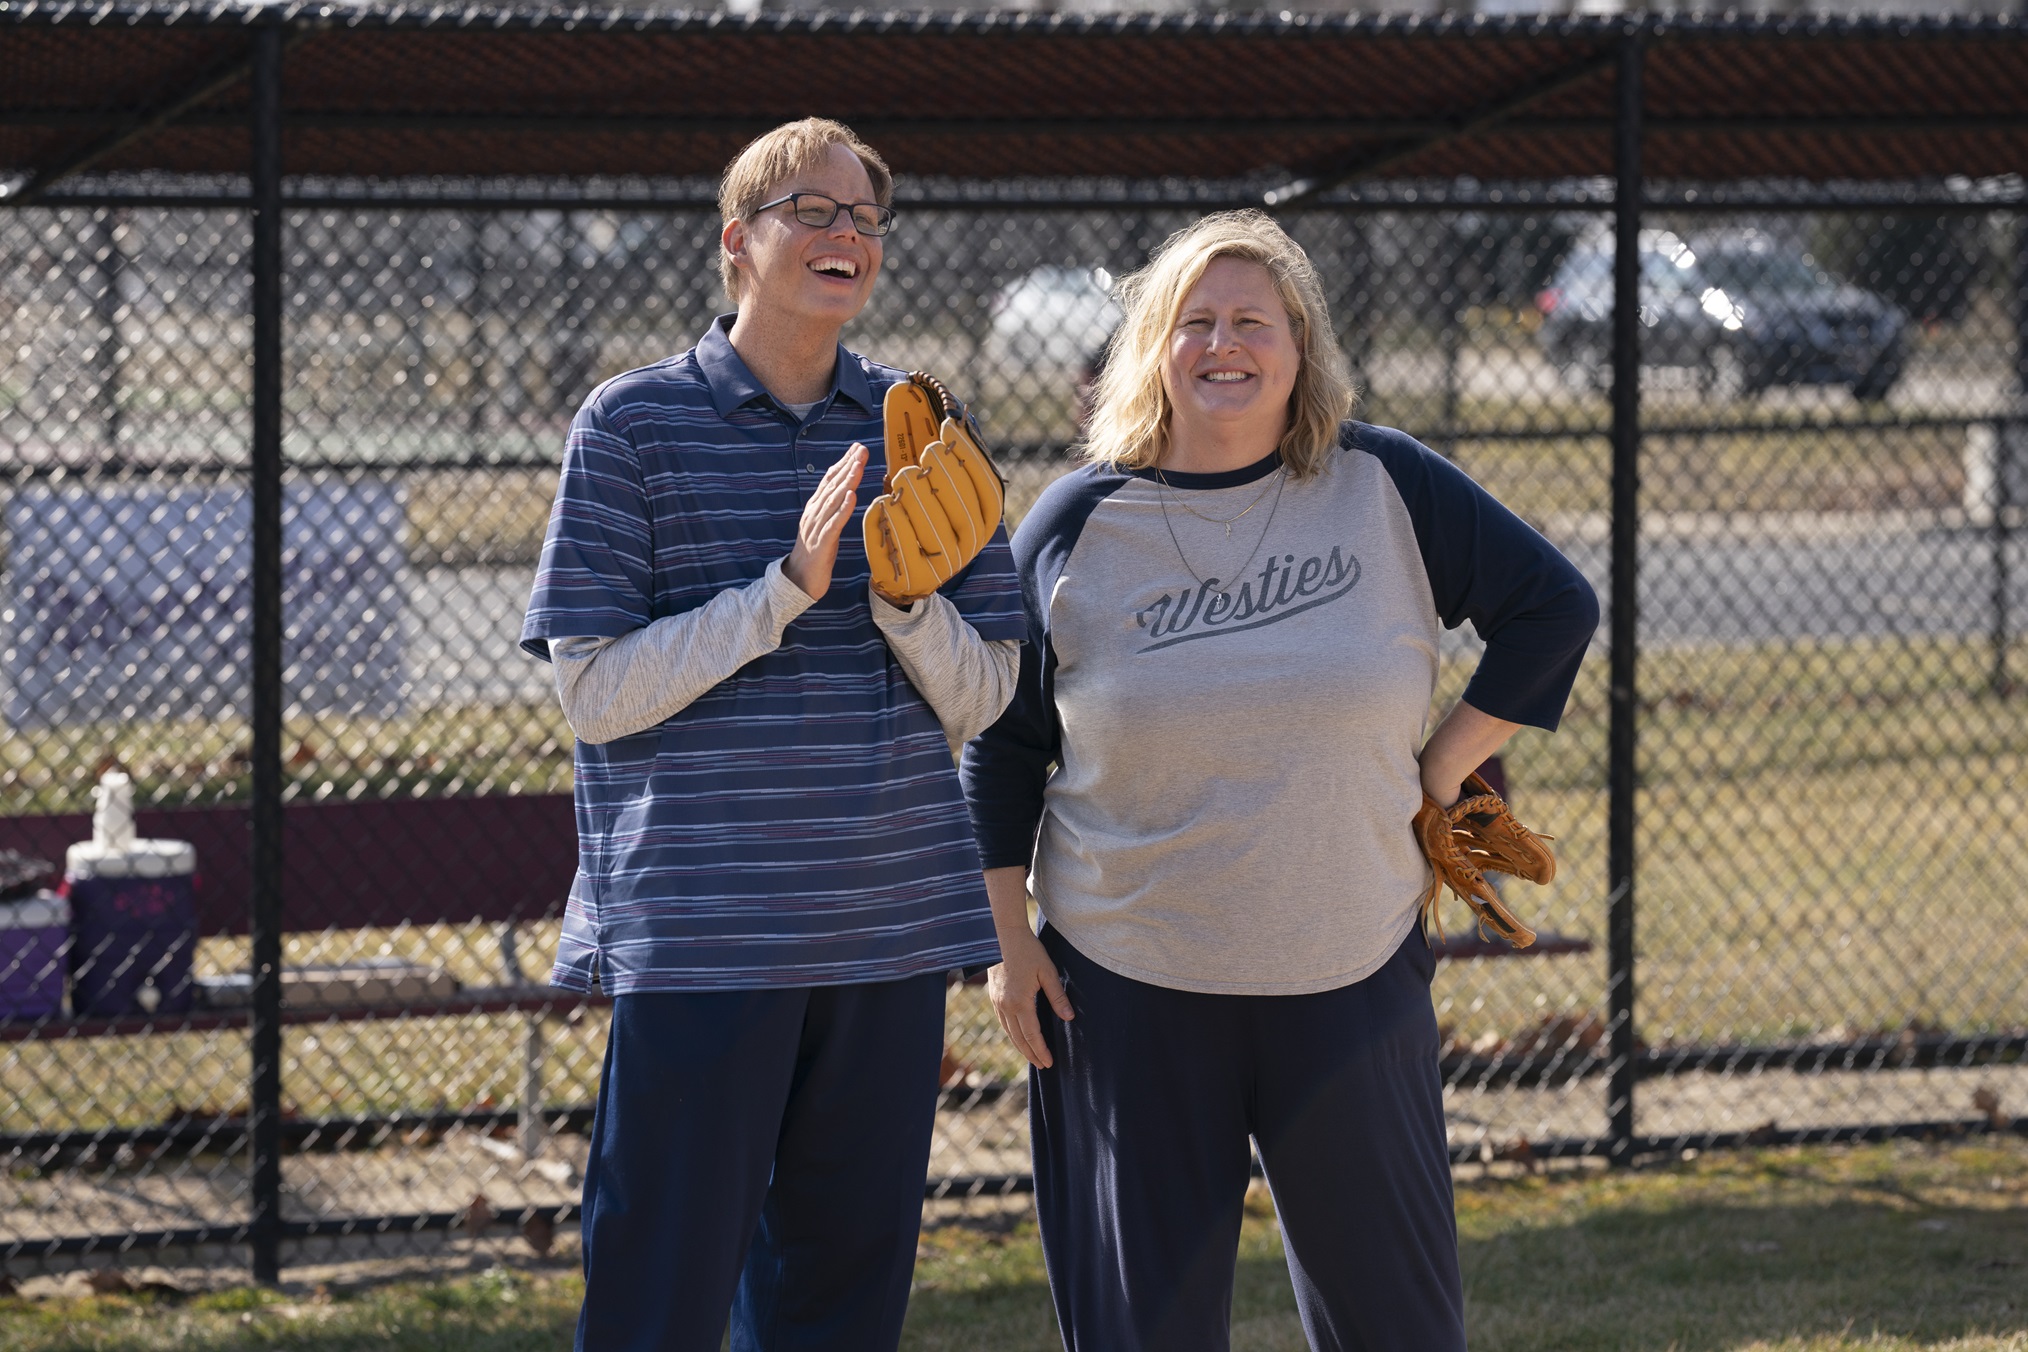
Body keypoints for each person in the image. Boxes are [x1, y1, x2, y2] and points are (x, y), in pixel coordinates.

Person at [960, 210, 1598, 1352]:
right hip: (1127, 979)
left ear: (1302, 347)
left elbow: (1554, 606)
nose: (1225, 344)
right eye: (1194, 321)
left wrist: (1444, 766)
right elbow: (1003, 745)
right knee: (1139, 1329)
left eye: (1255, 320)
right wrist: (1009, 944)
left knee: (1397, 1325)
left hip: (1346, 969)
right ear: (1154, 346)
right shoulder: (1078, 519)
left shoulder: (1386, 483)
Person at [520, 118, 1025, 1352]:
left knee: (837, 1303)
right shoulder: (631, 424)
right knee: (660, 1292)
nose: (845, 234)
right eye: (813, 209)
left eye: (863, 218)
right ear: (739, 241)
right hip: (704, 936)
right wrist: (783, 592)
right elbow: (593, 693)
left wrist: (906, 605)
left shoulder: (926, 432)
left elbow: (988, 696)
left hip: (886, 931)